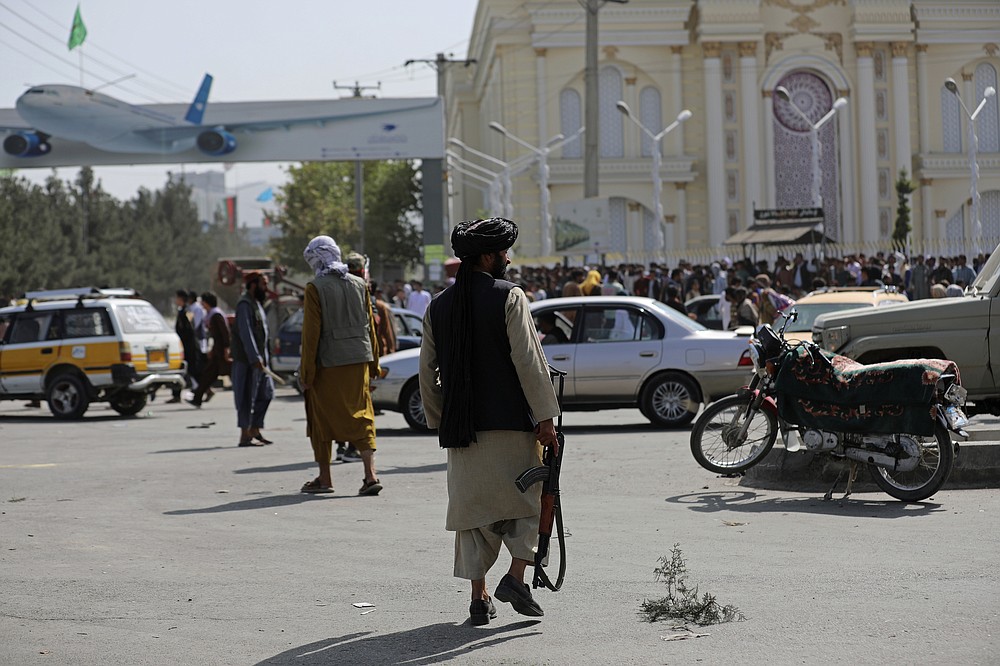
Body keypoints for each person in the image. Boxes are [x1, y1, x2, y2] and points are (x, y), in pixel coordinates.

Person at [419, 217, 560, 626]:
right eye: (503, 253)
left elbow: (427, 372)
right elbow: (530, 363)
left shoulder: (438, 305)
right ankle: (516, 578)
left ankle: (478, 599)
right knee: (528, 506)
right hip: (512, 428)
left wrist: (442, 420)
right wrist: (547, 419)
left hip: (462, 433)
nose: (508, 258)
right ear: (487, 256)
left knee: (474, 518)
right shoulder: (509, 297)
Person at [299, 237, 383, 496]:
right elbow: (370, 327)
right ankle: (370, 476)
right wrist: (374, 364)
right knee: (362, 415)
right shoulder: (359, 284)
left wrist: (306, 373)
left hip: (328, 364)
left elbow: (310, 336)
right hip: (359, 359)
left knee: (321, 419)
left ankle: (325, 479)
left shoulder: (315, 287)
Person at [230, 271, 275, 447]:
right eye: (264, 284)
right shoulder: (244, 305)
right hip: (248, 361)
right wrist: (254, 357)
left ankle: (255, 428)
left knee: (267, 393)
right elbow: (246, 333)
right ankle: (245, 434)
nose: (266, 288)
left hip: (261, 362)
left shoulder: (256, 304)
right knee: (246, 397)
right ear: (253, 285)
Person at [186, 291, 229, 408]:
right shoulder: (212, 314)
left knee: (212, 374)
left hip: (220, 352)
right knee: (207, 375)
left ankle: (198, 397)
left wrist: (226, 348)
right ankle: (198, 398)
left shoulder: (216, 315)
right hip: (217, 351)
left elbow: (224, 333)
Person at [170, 289, 202, 404]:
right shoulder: (182, 310)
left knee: (192, 369)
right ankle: (176, 394)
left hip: (189, 345)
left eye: (177, 298)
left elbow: (190, 328)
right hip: (183, 344)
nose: (175, 300)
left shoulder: (187, 311)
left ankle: (206, 390)